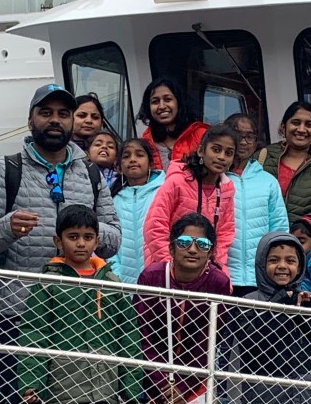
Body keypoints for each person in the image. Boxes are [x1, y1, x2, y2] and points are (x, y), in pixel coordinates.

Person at [0, 83, 121, 404]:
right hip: (17, 311)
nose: (54, 120)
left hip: (78, 312)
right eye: (46, 113)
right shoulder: (6, 169)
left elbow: (114, 238)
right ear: (30, 120)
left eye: (62, 113)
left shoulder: (90, 173)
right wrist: (8, 227)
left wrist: (84, 235)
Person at [16, 204, 143, 404]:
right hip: (60, 392)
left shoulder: (112, 283)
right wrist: (31, 382)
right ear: (58, 241)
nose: (81, 243)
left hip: (106, 390)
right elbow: (34, 332)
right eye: (73, 237)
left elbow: (128, 336)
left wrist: (130, 387)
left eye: (88, 237)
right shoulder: (48, 284)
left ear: (97, 241)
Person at [134, 213, 231, 404]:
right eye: (184, 242)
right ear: (171, 248)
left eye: (202, 244)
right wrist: (162, 384)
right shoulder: (152, 277)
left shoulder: (218, 282)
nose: (193, 250)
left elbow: (207, 341)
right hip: (151, 378)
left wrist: (182, 387)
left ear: (211, 251)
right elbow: (143, 336)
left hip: (195, 379)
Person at [231, 232, 311, 404]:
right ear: (262, 265)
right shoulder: (248, 302)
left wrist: (307, 315)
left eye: (290, 261)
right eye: (274, 260)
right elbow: (257, 343)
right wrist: (282, 304)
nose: (282, 266)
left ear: (300, 267)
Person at [143, 124, 237, 274]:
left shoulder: (226, 190)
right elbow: (154, 226)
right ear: (201, 150)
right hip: (166, 268)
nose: (222, 157)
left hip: (204, 272)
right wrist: (172, 266)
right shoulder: (177, 181)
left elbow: (225, 234)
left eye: (229, 153)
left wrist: (214, 268)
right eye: (216, 149)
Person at [224, 113, 288, 297]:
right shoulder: (214, 177)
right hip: (222, 275)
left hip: (259, 279)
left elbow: (279, 229)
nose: (243, 142)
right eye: (237, 135)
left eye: (249, 136)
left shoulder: (268, 181)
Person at [259, 101, 311, 225]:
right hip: (261, 241)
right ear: (284, 127)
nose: (301, 129)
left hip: (304, 243)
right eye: (296, 123)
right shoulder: (262, 157)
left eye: (309, 125)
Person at [108, 138, 164, 284]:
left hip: (158, 277)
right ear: (119, 167)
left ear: (151, 163)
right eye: (126, 156)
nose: (132, 160)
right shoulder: (112, 198)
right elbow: (108, 237)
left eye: (139, 155)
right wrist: (116, 273)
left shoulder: (163, 192)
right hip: (122, 280)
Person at [138, 77, 208, 171]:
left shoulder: (202, 136)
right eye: (155, 102)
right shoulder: (143, 143)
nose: (162, 106)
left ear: (179, 102)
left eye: (167, 99)